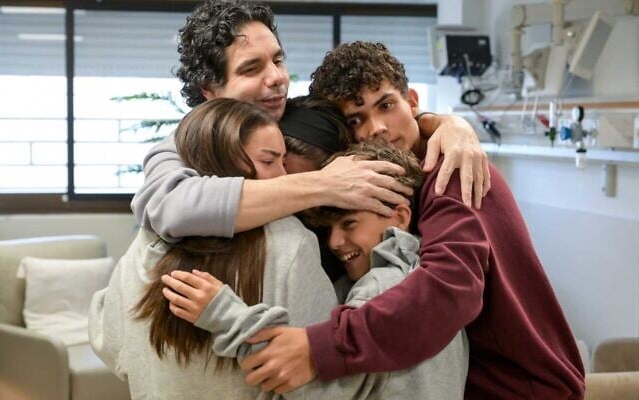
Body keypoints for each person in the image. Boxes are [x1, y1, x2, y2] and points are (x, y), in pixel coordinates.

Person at [236, 41, 586, 400]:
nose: (377, 129)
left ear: (413, 102)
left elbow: (449, 289)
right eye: (356, 120)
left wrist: (321, 347)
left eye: (386, 106)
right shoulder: (407, 180)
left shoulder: (453, 172)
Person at [131, 0, 491, 245]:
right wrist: (322, 184)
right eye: (252, 68)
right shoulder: (185, 144)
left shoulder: (296, 116)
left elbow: (373, 126)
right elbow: (169, 207)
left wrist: (445, 123)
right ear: (210, 90)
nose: (276, 78)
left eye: (278, 60)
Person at [161, 139, 469, 400]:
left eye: (350, 223)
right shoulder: (424, 287)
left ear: (400, 217)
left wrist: (224, 314)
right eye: (328, 229)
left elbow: (319, 390)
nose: (335, 242)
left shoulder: (382, 288)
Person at [89, 98, 340, 399]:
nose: (283, 179)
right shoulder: (291, 241)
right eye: (269, 161)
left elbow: (110, 341)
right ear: (224, 159)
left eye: (283, 162)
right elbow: (320, 373)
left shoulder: (150, 239)